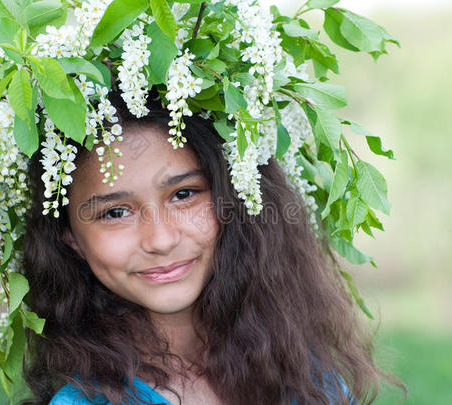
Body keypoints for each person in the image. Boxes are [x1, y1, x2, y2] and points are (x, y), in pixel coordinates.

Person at [21, 92, 397, 405]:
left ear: (234, 196)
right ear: (69, 237)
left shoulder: (308, 378)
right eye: (115, 212)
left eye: (184, 194)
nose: (161, 240)